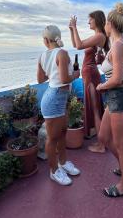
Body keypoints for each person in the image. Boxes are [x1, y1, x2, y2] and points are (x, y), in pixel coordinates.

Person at [96, 3, 123, 197]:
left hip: (120, 99)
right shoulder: (116, 45)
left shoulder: (119, 46)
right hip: (114, 99)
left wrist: (102, 86)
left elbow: (117, 79)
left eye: (105, 23)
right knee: (103, 137)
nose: (104, 26)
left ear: (110, 24)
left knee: (122, 147)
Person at [37, 25, 81, 186]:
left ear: (46, 40)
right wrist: (76, 75)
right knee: (52, 138)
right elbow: (64, 79)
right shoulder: (61, 53)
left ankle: (63, 162)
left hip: (57, 97)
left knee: (62, 133)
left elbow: (40, 79)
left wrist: (52, 72)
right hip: (54, 98)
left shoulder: (43, 55)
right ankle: (54, 171)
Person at [69, 11, 109, 153]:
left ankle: (101, 145)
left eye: (90, 20)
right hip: (90, 75)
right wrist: (71, 29)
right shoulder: (96, 37)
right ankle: (101, 141)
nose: (88, 22)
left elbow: (79, 46)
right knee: (95, 108)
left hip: (91, 75)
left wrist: (75, 27)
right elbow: (76, 44)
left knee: (96, 109)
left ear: (96, 21)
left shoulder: (99, 36)